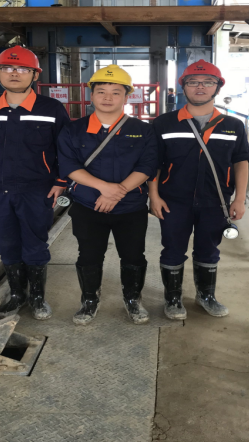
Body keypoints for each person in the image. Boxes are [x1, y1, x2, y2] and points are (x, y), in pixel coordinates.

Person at [0, 46, 70, 320]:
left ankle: (37, 297)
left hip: (36, 189)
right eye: (8, 68)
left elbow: (66, 149)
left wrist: (61, 180)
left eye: (23, 69)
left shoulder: (51, 109)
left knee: (35, 243)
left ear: (35, 75)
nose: (15, 73)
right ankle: (16, 295)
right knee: (5, 242)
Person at [149, 59, 249, 320]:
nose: (200, 87)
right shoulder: (164, 123)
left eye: (208, 82)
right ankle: (173, 298)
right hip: (173, 200)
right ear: (183, 87)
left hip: (215, 201)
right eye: (193, 82)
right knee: (172, 248)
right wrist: (154, 196)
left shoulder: (233, 125)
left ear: (218, 87)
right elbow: (154, 164)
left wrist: (239, 199)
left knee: (209, 249)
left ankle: (206, 296)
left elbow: (241, 162)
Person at [57, 65, 158, 326]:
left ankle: (133, 299)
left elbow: (148, 166)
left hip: (131, 207)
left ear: (127, 96)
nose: (108, 97)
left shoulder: (143, 129)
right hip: (87, 206)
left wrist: (116, 194)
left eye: (116, 92)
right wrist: (104, 188)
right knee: (88, 255)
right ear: (91, 95)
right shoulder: (73, 130)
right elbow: (68, 165)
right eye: (101, 91)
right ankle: (89, 299)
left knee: (133, 255)